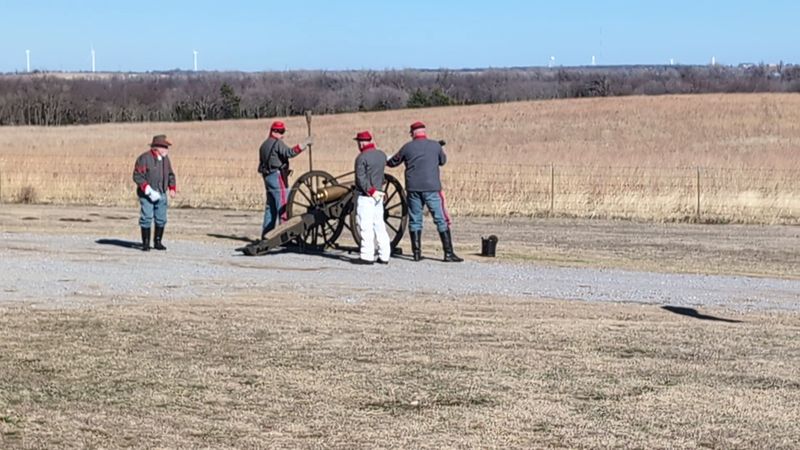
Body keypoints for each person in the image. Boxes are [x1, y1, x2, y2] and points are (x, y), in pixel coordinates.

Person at [387, 121, 462, 262]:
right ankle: (448, 253)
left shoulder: (407, 147)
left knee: (415, 220)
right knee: (440, 219)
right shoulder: (435, 146)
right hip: (432, 187)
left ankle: (416, 254)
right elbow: (443, 161)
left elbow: (393, 162)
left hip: (413, 188)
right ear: (424, 132)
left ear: (412, 133)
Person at [257, 120, 313, 239]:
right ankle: (284, 237)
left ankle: (266, 234)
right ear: (274, 131)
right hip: (277, 176)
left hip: (267, 177)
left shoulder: (264, 145)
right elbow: (290, 153)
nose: (283, 135)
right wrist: (304, 145)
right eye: (281, 132)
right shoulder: (277, 143)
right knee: (283, 206)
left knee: (270, 208)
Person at [352, 131, 391, 265]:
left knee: (365, 226)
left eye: (358, 142)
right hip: (379, 195)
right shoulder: (381, 155)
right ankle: (384, 255)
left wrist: (370, 190)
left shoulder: (361, 158)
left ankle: (367, 256)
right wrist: (376, 190)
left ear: (361, 143)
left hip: (366, 196)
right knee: (379, 225)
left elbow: (360, 179)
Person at [133, 134, 177, 252]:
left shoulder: (165, 159)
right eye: (165, 147)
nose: (167, 150)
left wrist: (172, 188)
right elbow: (137, 176)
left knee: (161, 218)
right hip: (147, 195)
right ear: (156, 147)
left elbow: (170, 175)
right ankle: (146, 243)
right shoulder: (144, 158)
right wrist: (147, 189)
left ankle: (158, 242)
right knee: (146, 217)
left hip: (162, 193)